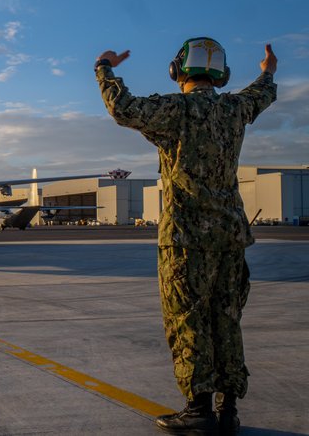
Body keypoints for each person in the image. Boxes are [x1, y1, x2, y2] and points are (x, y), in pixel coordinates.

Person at [94, 38, 277, 434]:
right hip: (230, 237)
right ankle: (228, 410)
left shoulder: (175, 109)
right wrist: (268, 71)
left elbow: (122, 108)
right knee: (227, 319)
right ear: (221, 74)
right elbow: (261, 93)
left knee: (188, 319)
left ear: (178, 72)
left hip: (186, 236)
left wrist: (104, 68)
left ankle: (198, 409)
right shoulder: (235, 109)